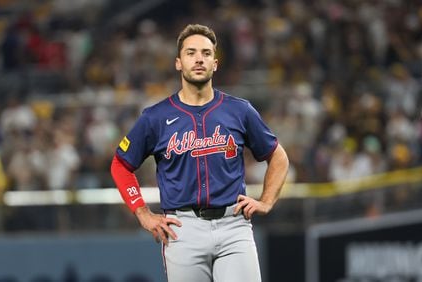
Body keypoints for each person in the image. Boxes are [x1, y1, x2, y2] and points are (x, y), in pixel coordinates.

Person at [110, 24, 289, 282]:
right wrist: (142, 213)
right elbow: (120, 164)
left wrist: (267, 200)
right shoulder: (156, 117)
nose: (198, 59)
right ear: (178, 63)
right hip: (183, 228)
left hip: (233, 225)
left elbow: (278, 156)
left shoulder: (239, 110)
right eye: (191, 53)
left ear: (215, 63)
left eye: (206, 53)